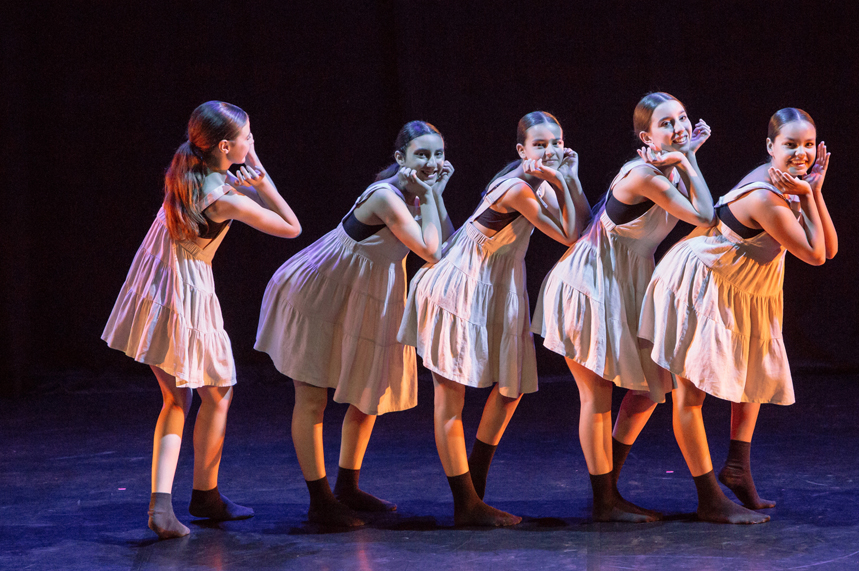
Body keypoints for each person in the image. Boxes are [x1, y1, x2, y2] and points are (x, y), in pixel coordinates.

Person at [102, 101, 302, 539]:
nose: (253, 143)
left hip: (157, 281)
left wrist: (245, 175)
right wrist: (264, 183)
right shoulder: (225, 197)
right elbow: (292, 228)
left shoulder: (192, 174)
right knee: (198, 397)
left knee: (203, 395)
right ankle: (171, 505)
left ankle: (199, 497)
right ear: (227, 146)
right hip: (182, 291)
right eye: (248, 137)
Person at [638, 107, 837, 523]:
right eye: (790, 145)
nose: (800, 154)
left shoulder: (794, 186)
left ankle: (736, 469)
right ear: (770, 148)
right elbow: (817, 255)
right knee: (690, 396)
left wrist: (813, 192)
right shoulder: (767, 196)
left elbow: (830, 248)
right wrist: (807, 194)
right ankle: (709, 497)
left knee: (753, 377)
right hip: (702, 282)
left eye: (806, 145)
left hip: (745, 287)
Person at [255, 121, 454, 527]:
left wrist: (435, 196)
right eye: (422, 154)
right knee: (312, 398)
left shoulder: (417, 194)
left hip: (363, 297)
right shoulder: (386, 196)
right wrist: (432, 194)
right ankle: (320, 501)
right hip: (316, 292)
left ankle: (347, 486)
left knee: (369, 392)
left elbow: (446, 245)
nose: (432, 162)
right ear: (401, 158)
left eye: (438, 154)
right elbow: (431, 252)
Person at [399, 111, 590, 526]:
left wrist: (568, 179)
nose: (552, 151)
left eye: (557, 142)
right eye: (540, 145)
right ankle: (467, 503)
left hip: (497, 289)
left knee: (511, 388)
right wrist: (563, 181)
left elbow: (583, 225)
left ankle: (474, 486)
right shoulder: (519, 188)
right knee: (451, 401)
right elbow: (570, 236)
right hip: (457, 287)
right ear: (522, 151)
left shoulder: (542, 183)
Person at [533, 92, 716, 522]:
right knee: (596, 395)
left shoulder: (664, 168)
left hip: (624, 286)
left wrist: (683, 159)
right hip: (587, 285)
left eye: (683, 118)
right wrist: (689, 160)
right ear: (646, 136)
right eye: (667, 123)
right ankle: (605, 502)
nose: (679, 128)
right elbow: (705, 216)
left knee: (648, 388)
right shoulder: (644, 175)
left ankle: (609, 479)